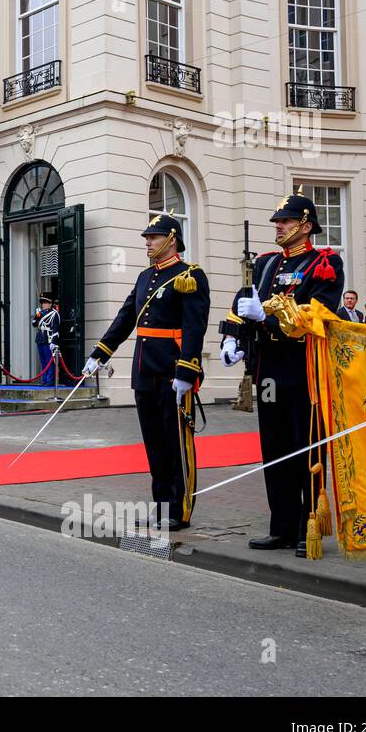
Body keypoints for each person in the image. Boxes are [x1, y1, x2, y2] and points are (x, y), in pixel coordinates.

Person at [219, 190, 344, 557]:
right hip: (270, 369)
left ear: (306, 226)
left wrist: (268, 319)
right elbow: (245, 304)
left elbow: (317, 315)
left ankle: (309, 526)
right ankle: (282, 526)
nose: (279, 226)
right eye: (277, 221)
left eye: (286, 221)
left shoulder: (324, 263)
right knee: (274, 448)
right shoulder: (267, 264)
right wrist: (233, 338)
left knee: (307, 448)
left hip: (304, 367)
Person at [83, 214, 210, 531]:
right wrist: (100, 353)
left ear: (171, 239)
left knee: (176, 443)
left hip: (172, 371)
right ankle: (161, 506)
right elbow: (126, 317)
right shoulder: (143, 277)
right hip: (144, 370)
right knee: (154, 444)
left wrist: (186, 369)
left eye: (153, 237)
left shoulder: (190, 276)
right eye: (147, 238)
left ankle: (179, 510)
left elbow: (194, 328)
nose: (147, 242)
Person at [32, 294, 60, 386]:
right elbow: (34, 324)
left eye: (45, 303)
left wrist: (54, 342)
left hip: (48, 339)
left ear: (50, 304)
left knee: (49, 361)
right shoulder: (41, 313)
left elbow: (56, 329)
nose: (43, 305)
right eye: (42, 303)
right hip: (40, 338)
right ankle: (44, 380)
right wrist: (37, 316)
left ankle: (50, 380)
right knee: (43, 361)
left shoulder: (54, 314)